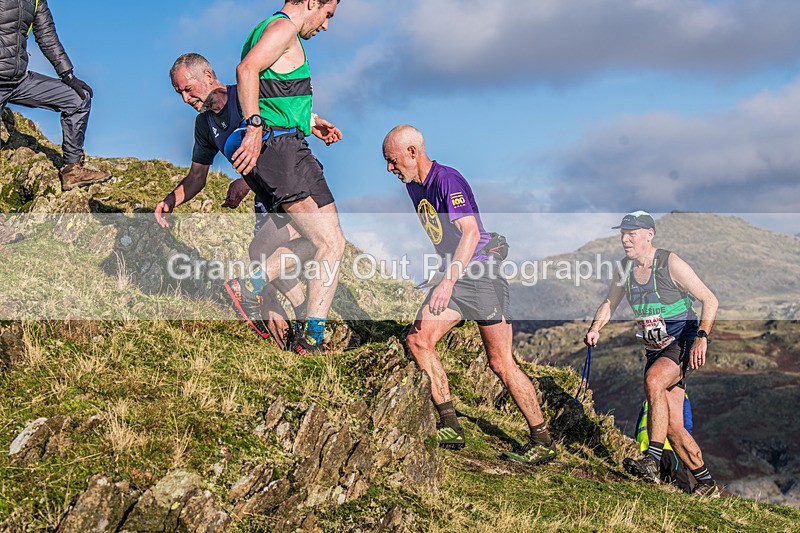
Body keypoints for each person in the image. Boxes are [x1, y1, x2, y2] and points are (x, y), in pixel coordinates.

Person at [382, 124, 556, 464]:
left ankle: (542, 440)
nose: (390, 168)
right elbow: (441, 235)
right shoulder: (413, 187)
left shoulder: (447, 180)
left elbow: (471, 232)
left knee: (500, 362)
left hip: (480, 277)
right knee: (418, 340)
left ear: (413, 153)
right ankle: (450, 424)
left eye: (392, 160)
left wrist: (447, 281)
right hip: (456, 276)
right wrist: (441, 274)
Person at [155, 53, 331, 349]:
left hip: (292, 182)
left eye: (188, 89)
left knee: (321, 241)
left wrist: (311, 121)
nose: (185, 99)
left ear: (208, 76)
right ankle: (299, 326)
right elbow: (197, 177)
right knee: (261, 252)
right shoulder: (205, 126)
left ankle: (299, 319)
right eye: (179, 93)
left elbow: (280, 113)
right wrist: (171, 200)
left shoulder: (244, 95)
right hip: (268, 197)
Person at [227, 0, 345, 355]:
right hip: (279, 149)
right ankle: (309, 340)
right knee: (330, 245)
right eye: (327, 15)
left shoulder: (273, 30)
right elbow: (247, 70)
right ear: (312, 2)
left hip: (291, 144)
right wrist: (253, 126)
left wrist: (311, 120)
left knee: (327, 241)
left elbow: (271, 89)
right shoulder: (283, 28)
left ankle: (302, 330)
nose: (325, 26)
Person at [583, 210, 721, 497]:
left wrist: (702, 337)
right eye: (622, 233)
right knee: (671, 425)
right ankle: (706, 483)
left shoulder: (670, 263)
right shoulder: (624, 269)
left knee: (654, 382)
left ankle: (652, 460)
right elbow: (610, 302)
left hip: (682, 341)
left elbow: (710, 299)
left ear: (649, 234)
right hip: (654, 348)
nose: (625, 239)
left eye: (632, 233)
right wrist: (596, 328)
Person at [0, 0, 111, 191]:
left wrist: (67, 74)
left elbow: (46, 35)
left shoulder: (35, 1)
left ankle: (72, 170)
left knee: (79, 98)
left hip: (19, 80)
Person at [635, 394, 694, 493]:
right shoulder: (680, 396)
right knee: (680, 483)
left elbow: (638, 426)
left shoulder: (651, 397)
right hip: (668, 445)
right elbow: (686, 426)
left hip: (645, 445)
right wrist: (686, 451)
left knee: (655, 479)